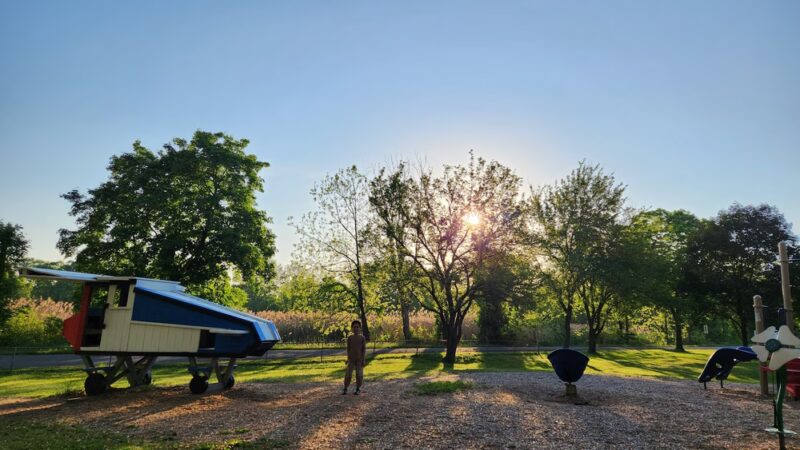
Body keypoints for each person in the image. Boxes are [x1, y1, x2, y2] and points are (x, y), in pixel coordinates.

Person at [342, 319, 366, 395]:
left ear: (360, 328)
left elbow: (363, 349)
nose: (356, 328)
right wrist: (348, 359)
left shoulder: (362, 338)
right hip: (351, 359)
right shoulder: (350, 338)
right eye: (354, 327)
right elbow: (348, 349)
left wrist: (363, 359)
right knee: (348, 375)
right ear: (352, 328)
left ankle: (358, 388)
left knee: (359, 375)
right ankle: (345, 388)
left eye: (357, 327)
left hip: (359, 360)